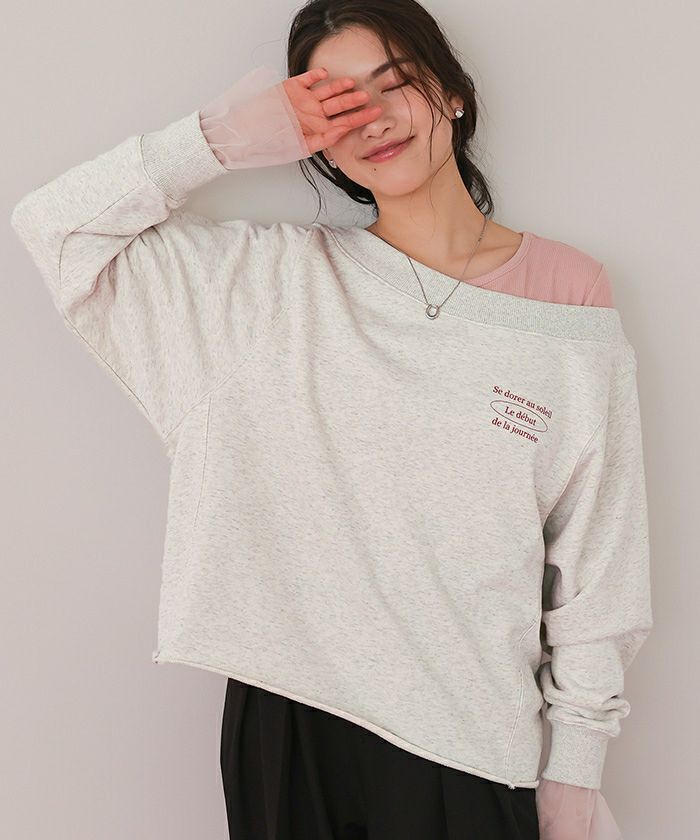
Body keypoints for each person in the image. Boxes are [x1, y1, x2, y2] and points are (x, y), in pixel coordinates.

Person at [10, 1, 652, 838]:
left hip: (472, 736)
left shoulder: (567, 294)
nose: (372, 118)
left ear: (453, 92)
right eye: (337, 102)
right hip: (291, 719)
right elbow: (55, 228)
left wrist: (574, 770)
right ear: (311, 136)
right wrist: (218, 139)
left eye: (396, 83)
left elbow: (599, 561)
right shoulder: (265, 282)